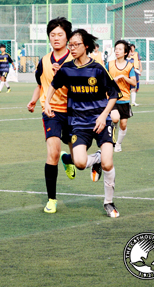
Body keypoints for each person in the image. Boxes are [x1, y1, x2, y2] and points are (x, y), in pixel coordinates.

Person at [44, 29, 122, 218]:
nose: (71, 48)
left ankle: (108, 202)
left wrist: (104, 116)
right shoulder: (67, 68)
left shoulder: (97, 68)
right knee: (79, 163)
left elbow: (113, 95)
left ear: (85, 46)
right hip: (79, 122)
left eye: (75, 45)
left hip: (101, 120)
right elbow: (54, 85)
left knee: (108, 162)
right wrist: (47, 102)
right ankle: (95, 158)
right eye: (70, 45)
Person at [26, 17, 101, 214]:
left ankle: (72, 159)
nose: (56, 38)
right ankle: (52, 199)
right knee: (52, 153)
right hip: (51, 112)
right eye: (52, 35)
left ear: (67, 37)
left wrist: (67, 75)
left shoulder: (76, 60)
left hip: (74, 114)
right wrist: (35, 100)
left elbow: (86, 88)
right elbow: (41, 84)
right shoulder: (43, 61)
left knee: (80, 162)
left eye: (60, 34)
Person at [108, 40, 137, 153]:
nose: (117, 51)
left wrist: (124, 77)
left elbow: (134, 83)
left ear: (125, 52)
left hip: (124, 98)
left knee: (123, 124)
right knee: (115, 118)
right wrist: (112, 80)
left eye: (120, 49)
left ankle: (118, 144)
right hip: (112, 97)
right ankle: (112, 137)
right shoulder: (109, 64)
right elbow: (104, 79)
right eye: (116, 49)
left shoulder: (129, 66)